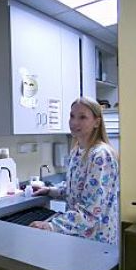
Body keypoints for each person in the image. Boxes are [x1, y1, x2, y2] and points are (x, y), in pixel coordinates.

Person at [30, 97, 119, 245]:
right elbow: (76, 189)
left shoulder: (100, 155)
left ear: (97, 122)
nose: (74, 122)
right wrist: (50, 191)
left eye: (82, 117)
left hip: (96, 240)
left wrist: (51, 225)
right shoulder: (77, 151)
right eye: (72, 116)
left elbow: (91, 212)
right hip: (78, 236)